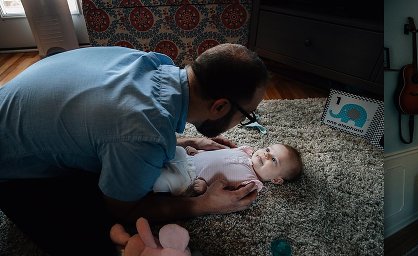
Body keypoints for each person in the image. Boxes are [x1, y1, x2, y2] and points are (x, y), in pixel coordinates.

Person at [0, 43, 269, 255]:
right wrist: (202, 204)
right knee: (105, 237)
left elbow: (120, 120)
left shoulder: (149, 62)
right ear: (220, 107)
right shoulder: (144, 133)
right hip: (10, 171)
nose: (245, 121)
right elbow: (123, 208)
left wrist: (184, 141)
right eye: (247, 115)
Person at [154, 144, 303, 196]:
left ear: (276, 179)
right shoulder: (244, 152)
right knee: (177, 151)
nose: (266, 154)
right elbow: (218, 155)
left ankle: (142, 181)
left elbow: (227, 193)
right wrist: (198, 152)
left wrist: (207, 188)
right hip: (189, 159)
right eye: (268, 149)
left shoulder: (251, 183)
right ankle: (146, 157)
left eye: (274, 159)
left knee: (167, 180)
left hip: (189, 179)